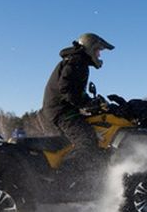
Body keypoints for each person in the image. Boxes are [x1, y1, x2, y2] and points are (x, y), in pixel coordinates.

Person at [42, 33, 115, 183]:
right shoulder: (77, 61)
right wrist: (86, 103)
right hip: (62, 111)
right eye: (97, 51)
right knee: (87, 141)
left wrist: (90, 102)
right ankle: (63, 179)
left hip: (60, 109)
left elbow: (74, 91)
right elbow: (66, 89)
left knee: (71, 144)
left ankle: (84, 180)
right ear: (90, 48)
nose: (99, 54)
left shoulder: (76, 60)